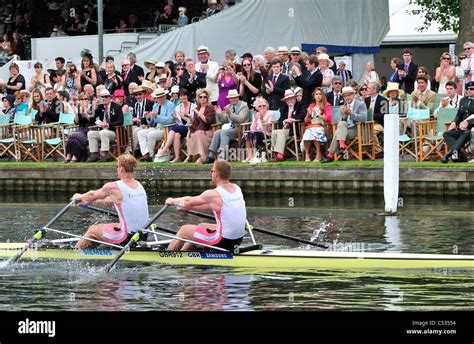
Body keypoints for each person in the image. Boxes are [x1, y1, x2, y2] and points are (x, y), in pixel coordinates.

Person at [166, 160, 246, 251]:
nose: (211, 173)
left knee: (184, 230)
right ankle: (185, 252)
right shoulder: (236, 188)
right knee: (202, 226)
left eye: (211, 171)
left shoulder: (213, 194)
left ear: (216, 173)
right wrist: (190, 207)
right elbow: (211, 208)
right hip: (237, 240)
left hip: (222, 241)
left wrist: (172, 200)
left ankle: (167, 256)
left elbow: (187, 201)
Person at [74, 154, 149, 249]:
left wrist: (79, 197)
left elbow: (92, 195)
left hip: (126, 238)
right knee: (111, 226)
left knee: (92, 230)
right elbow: (110, 201)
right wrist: (90, 203)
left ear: (121, 167)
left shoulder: (113, 186)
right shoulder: (139, 185)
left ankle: (75, 252)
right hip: (142, 236)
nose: (117, 169)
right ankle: (93, 248)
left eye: (117, 166)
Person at [321, 86, 367, 163]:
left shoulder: (360, 104)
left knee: (337, 132)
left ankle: (330, 155)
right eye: (345, 96)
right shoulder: (343, 106)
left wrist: (350, 113)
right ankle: (341, 146)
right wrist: (344, 116)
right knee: (341, 124)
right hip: (344, 130)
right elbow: (340, 121)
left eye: (349, 95)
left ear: (353, 95)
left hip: (356, 130)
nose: (347, 97)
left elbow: (364, 118)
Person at [440, 81, 474, 163]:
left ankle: (448, 154)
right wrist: (454, 122)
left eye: (472, 89)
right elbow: (459, 115)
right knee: (447, 133)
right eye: (467, 89)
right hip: (462, 128)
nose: (469, 90)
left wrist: (468, 123)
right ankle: (460, 154)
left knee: (466, 133)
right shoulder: (463, 100)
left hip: (472, 129)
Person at [86, 89, 124, 162]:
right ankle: (94, 154)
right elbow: (91, 119)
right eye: (102, 97)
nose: (104, 98)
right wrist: (94, 106)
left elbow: (121, 121)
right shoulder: (100, 107)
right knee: (90, 133)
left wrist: (108, 125)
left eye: (106, 96)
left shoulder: (116, 107)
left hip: (114, 132)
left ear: (110, 97)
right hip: (103, 131)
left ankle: (105, 154)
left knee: (104, 132)